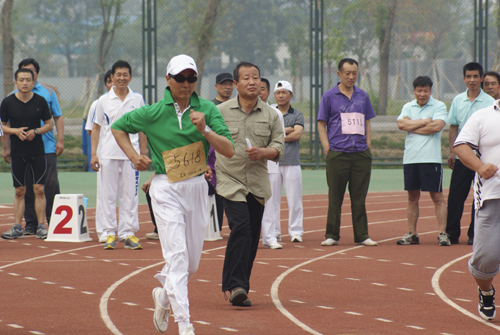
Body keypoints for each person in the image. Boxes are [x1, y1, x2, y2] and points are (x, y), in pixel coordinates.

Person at [111, 54, 234, 335]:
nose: (186, 83)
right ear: (168, 80)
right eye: (180, 78)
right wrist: (133, 156)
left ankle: (163, 296)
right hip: (165, 187)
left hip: (196, 188)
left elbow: (229, 149)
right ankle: (186, 326)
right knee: (177, 258)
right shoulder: (153, 112)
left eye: (191, 78)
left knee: (190, 266)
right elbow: (117, 127)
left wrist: (205, 130)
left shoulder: (207, 110)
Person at [216, 62, 284, 306]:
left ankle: (241, 285)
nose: (252, 82)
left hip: (257, 183)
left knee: (252, 235)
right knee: (241, 227)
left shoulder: (272, 115)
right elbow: (205, 139)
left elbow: (279, 147)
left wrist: (264, 152)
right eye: (246, 78)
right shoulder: (221, 111)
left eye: (256, 77)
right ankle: (234, 285)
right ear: (236, 84)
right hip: (228, 180)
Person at [317, 58, 377, 247]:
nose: (351, 77)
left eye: (354, 73)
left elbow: (367, 121)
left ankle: (362, 235)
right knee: (335, 195)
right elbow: (321, 124)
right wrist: (327, 148)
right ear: (339, 74)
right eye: (347, 73)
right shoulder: (329, 96)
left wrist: (368, 145)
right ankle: (332, 234)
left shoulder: (363, 96)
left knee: (359, 196)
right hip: (337, 154)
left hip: (360, 154)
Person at [2, 58, 65, 238]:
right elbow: (2, 126)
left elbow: (49, 124)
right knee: (20, 190)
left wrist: (35, 131)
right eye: (21, 79)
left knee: (40, 189)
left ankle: (42, 226)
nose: (24, 83)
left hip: (39, 151)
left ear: (34, 80)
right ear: (16, 81)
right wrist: (14, 132)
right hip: (18, 152)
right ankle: (17, 226)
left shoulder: (41, 100)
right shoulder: (7, 102)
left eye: (28, 79)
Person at [90, 60, 148, 250]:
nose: (122, 78)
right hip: (107, 154)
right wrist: (94, 154)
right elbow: (96, 128)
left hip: (132, 156)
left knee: (129, 195)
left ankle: (128, 233)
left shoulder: (137, 99)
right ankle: (108, 233)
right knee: (107, 195)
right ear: (112, 77)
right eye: (118, 75)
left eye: (125, 75)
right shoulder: (103, 101)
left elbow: (143, 129)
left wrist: (143, 153)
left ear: (130, 77)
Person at [453, 100, 500, 321]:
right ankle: (486, 290)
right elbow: (461, 146)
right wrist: (480, 167)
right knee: (486, 258)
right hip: (492, 195)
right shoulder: (482, 116)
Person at [396, 76, 449, 246]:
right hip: (411, 159)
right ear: (414, 91)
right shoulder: (407, 106)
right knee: (412, 197)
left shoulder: (439, 105)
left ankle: (442, 233)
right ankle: (412, 233)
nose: (422, 93)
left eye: (425, 90)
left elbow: (437, 127)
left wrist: (413, 125)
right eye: (419, 90)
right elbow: (401, 125)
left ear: (430, 90)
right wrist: (425, 121)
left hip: (430, 159)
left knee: (437, 196)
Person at [446, 62, 495, 245]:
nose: (472, 80)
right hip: (461, 157)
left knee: (479, 197)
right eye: (469, 76)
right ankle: (451, 233)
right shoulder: (458, 100)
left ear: (481, 78)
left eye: (476, 76)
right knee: (456, 195)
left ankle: (474, 234)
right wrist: (452, 151)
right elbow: (453, 127)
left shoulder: (490, 103)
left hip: (481, 158)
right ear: (464, 78)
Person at [273, 80, 304, 243]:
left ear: (291, 95)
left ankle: (296, 231)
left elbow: (297, 135)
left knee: (294, 199)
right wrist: (286, 130)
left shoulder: (297, 114)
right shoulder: (270, 112)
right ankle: (275, 232)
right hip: (272, 162)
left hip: (292, 162)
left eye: (284, 92)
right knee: (272, 200)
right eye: (278, 93)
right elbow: (266, 134)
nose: (281, 95)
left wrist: (277, 135)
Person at [259, 78, 286, 249]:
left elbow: (279, 139)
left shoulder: (275, 114)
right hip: (248, 165)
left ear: (269, 92)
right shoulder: (241, 112)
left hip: (270, 164)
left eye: (263, 88)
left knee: (270, 202)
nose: (259, 92)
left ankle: (269, 237)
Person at [207, 72, 234, 229]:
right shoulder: (210, 106)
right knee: (213, 192)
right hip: (213, 156)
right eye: (224, 84)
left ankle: (232, 227)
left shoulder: (236, 105)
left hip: (230, 153)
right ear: (216, 86)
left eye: (230, 84)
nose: (227, 87)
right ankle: (214, 227)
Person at [82, 70, 113, 171]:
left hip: (125, 156)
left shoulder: (133, 100)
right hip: (104, 155)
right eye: (109, 82)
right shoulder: (97, 104)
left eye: (114, 81)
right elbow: (91, 131)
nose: (112, 85)